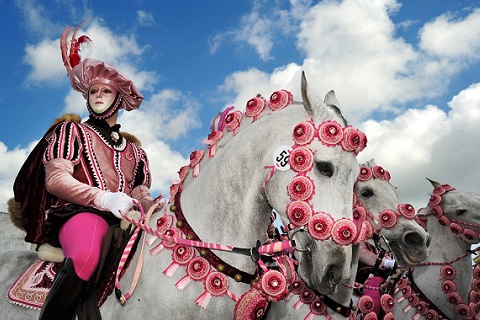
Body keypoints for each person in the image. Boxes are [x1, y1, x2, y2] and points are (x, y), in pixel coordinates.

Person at [13, 22, 159, 320]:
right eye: (93, 90)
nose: (98, 94)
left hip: (124, 225)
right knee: (86, 254)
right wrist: (105, 199)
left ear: (119, 99)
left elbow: (140, 193)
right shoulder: (71, 131)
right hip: (79, 215)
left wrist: (154, 207)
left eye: (106, 90)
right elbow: (55, 180)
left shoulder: (136, 153)